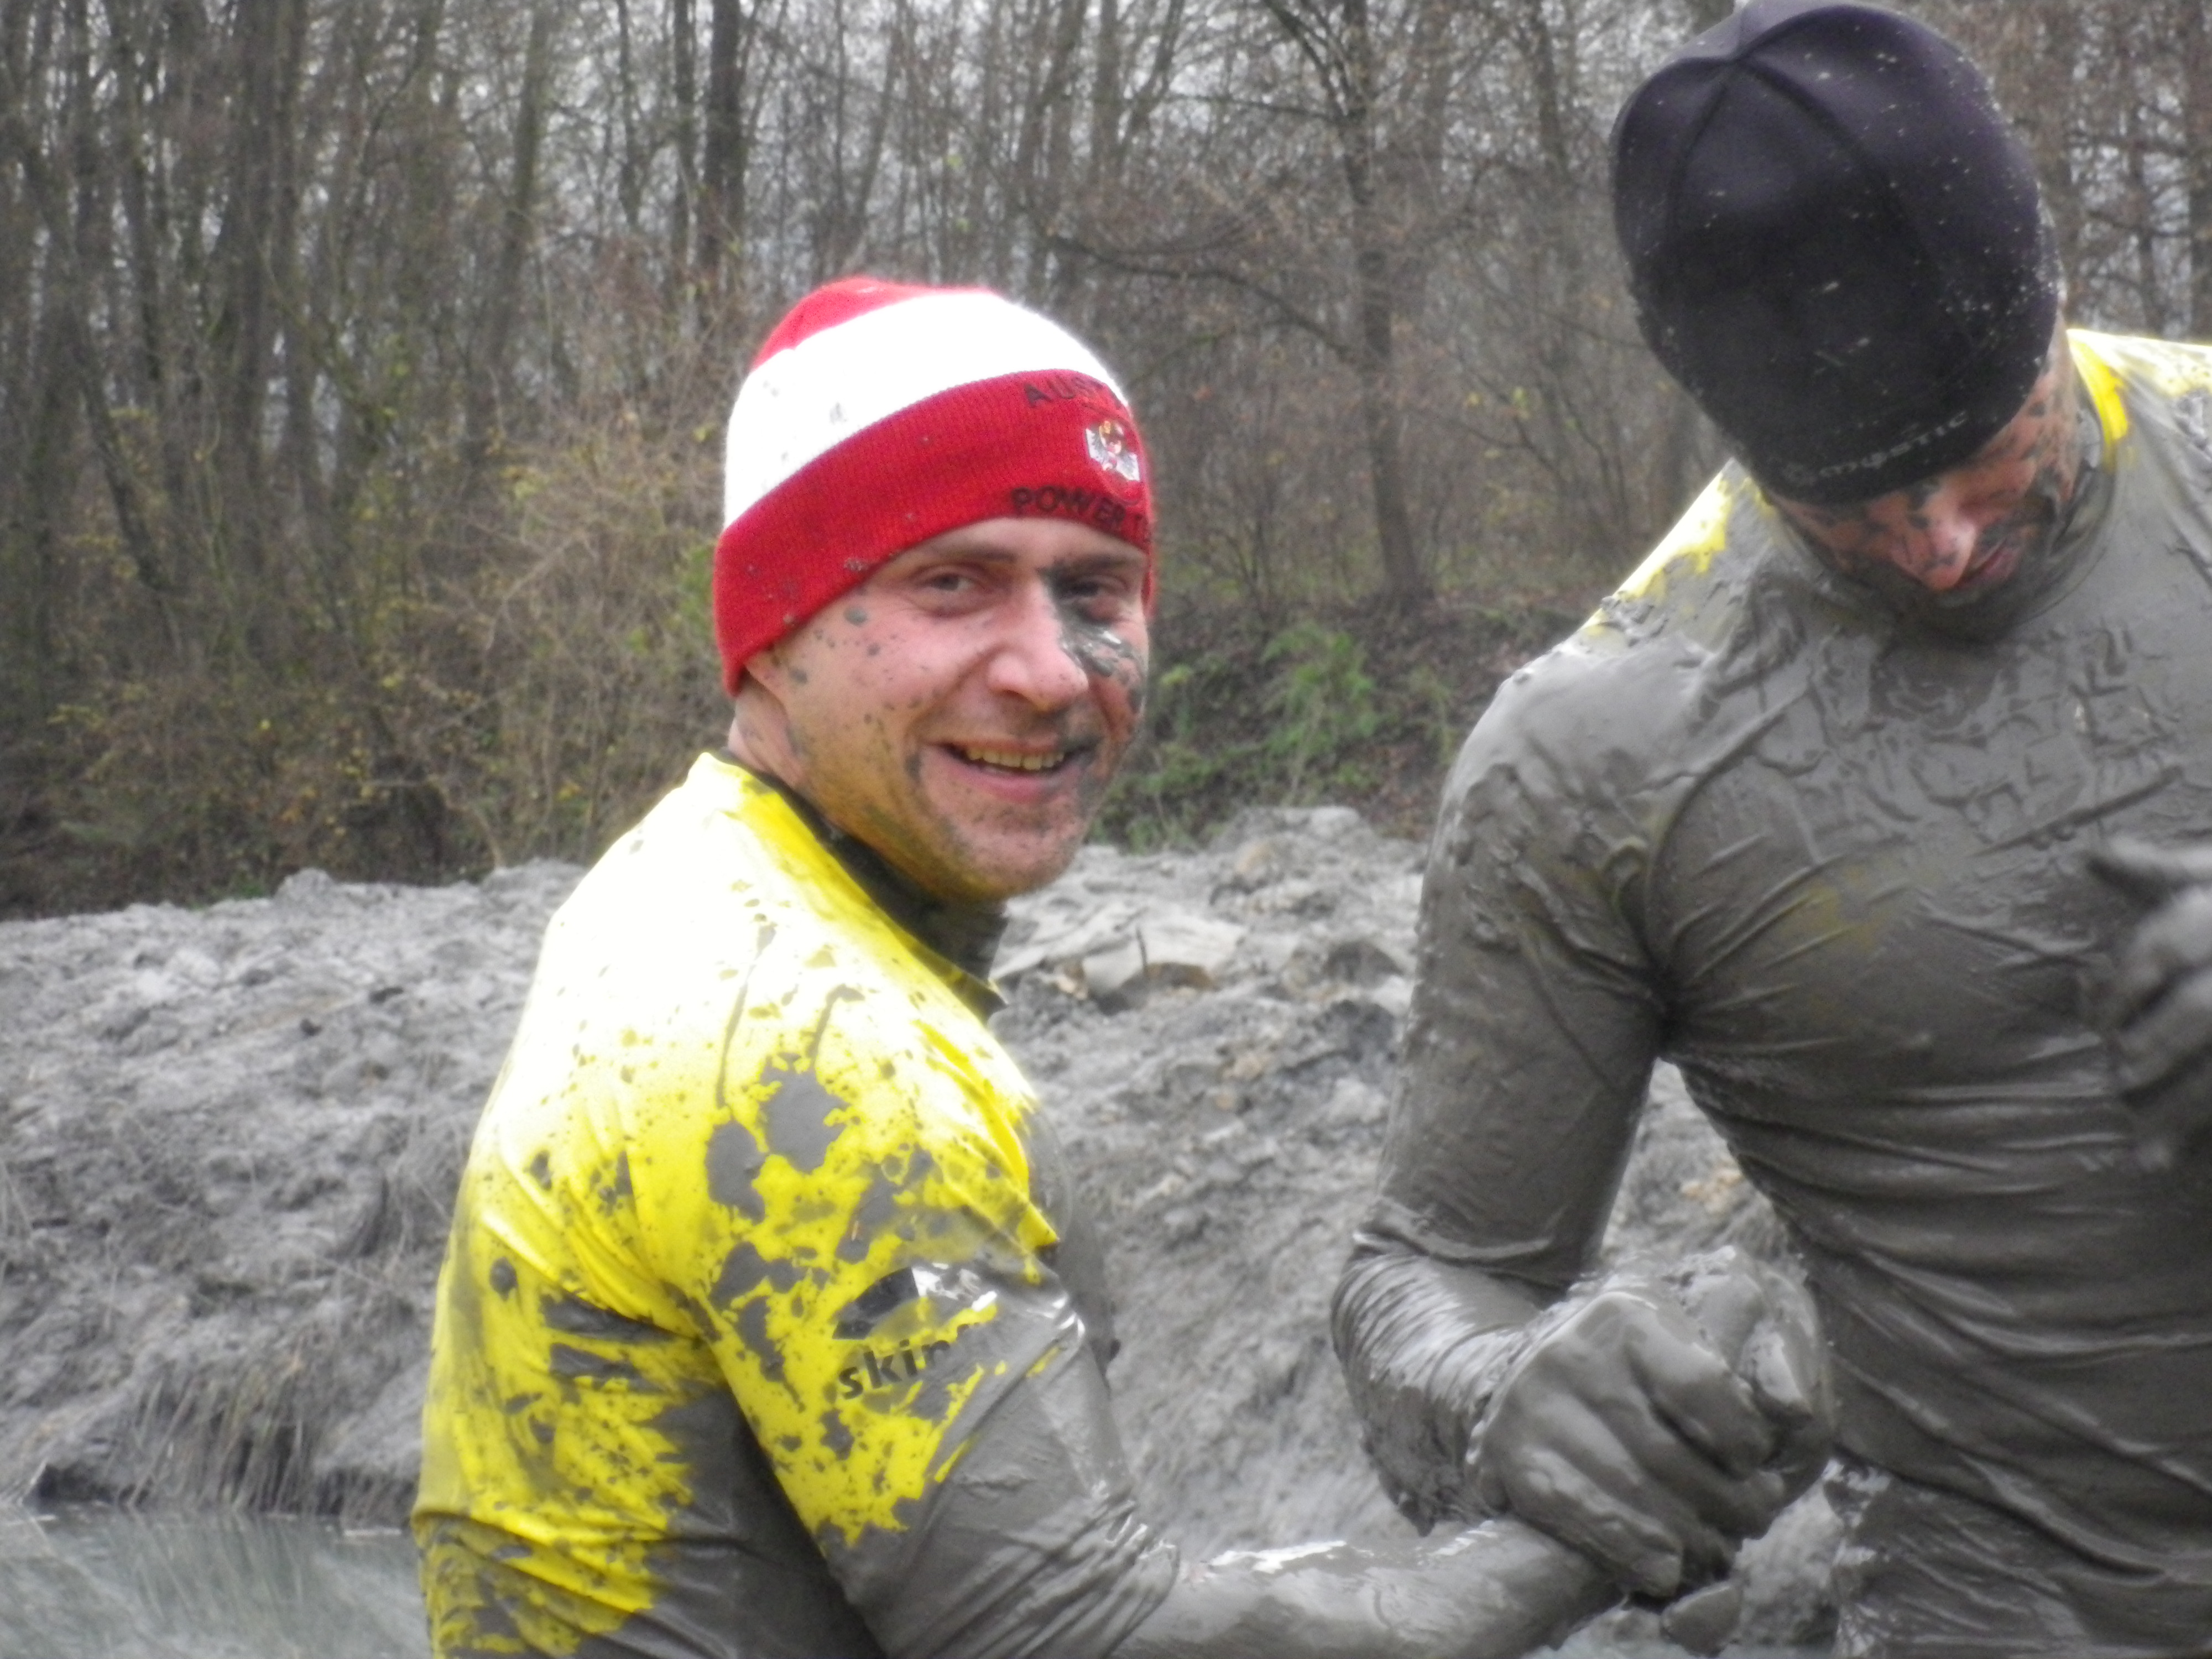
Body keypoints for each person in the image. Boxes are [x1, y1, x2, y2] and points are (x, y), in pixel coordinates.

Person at [411, 278, 1817, 1659]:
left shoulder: (686, 879)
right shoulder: (817, 1053)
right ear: (773, 629)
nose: (1046, 671)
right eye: (950, 584)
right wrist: (1609, 1521)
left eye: (1093, 589)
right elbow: (1081, 1632)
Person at [1332, 3, 2212, 1655]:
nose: (1937, 542)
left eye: (1983, 453)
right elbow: (1418, 1279)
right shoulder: (1597, 747)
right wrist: (1497, 1388)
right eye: (1851, 502)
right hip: (2016, 1608)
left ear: (2051, 300)